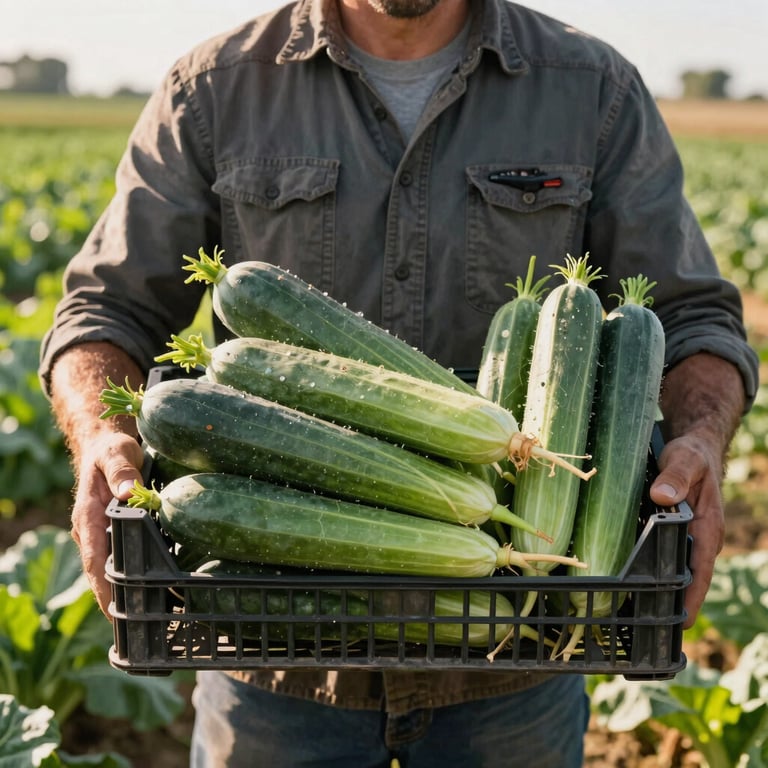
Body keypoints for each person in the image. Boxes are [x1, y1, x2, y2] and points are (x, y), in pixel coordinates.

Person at [40, 0, 758, 765]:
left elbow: (692, 319)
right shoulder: (214, 87)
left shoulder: (592, 88)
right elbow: (104, 311)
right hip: (276, 646)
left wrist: (701, 440)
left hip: (521, 647)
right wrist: (102, 436)